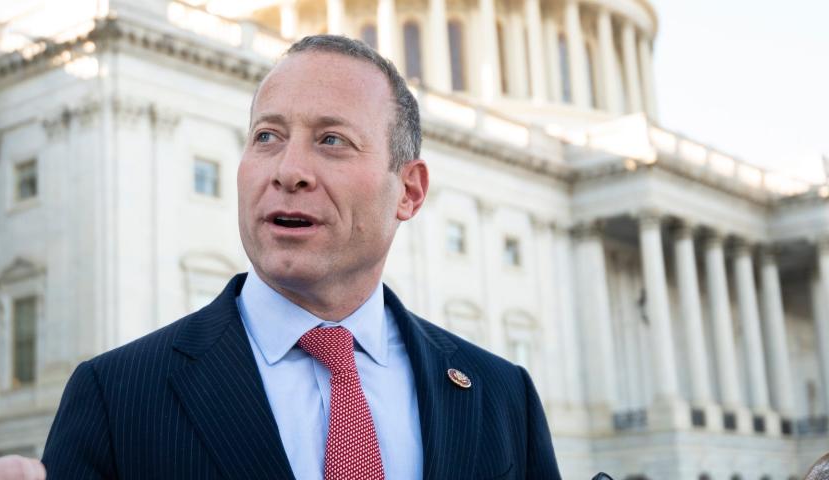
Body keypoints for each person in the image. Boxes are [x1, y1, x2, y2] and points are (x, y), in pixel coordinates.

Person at [42, 35, 561, 479]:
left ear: (409, 190)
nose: (289, 171)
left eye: (332, 140)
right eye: (267, 136)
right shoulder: (115, 397)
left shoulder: (502, 397)